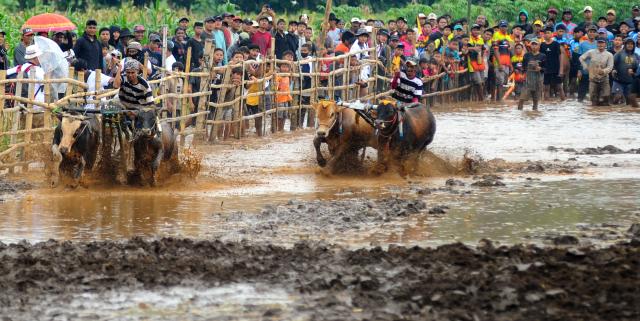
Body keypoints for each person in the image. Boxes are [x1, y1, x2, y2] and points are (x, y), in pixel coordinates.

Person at [580, 37, 614, 106]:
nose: (600, 44)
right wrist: (585, 66)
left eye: (602, 43)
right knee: (593, 99)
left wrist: (604, 71)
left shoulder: (609, 55)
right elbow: (581, 58)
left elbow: (610, 67)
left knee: (606, 97)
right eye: (599, 42)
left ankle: (603, 113)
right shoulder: (591, 52)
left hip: (604, 79)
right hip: (593, 79)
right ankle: (594, 114)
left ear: (605, 44)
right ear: (597, 44)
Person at [518, 38, 545, 110]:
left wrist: (540, 68)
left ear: (539, 46)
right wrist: (521, 74)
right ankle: (519, 113)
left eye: (535, 44)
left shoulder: (543, 56)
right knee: (521, 99)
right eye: (532, 44)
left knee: (535, 100)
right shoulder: (526, 55)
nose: (534, 46)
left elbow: (546, 68)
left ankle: (535, 113)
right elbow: (523, 67)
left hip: (538, 79)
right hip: (528, 79)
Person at [540, 26, 566, 101]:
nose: (546, 34)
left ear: (552, 34)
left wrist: (561, 70)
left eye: (548, 33)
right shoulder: (542, 45)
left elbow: (561, 57)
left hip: (556, 69)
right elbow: (541, 58)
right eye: (545, 33)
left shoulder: (556, 44)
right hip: (546, 70)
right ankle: (547, 106)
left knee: (560, 88)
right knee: (546, 89)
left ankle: (564, 105)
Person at [612, 38, 639, 107]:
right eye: (628, 44)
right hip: (618, 81)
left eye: (632, 44)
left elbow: (637, 69)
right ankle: (612, 112)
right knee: (617, 97)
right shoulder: (619, 54)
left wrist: (633, 72)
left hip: (630, 82)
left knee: (629, 103)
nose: (630, 45)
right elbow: (612, 64)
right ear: (625, 45)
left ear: (634, 45)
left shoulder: (636, 56)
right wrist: (613, 70)